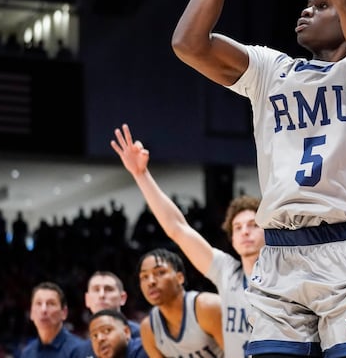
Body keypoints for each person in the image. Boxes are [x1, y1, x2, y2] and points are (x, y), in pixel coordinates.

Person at [170, 0, 346, 355]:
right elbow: (188, 43)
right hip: (277, 253)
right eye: (308, 4)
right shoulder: (271, 70)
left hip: (345, 250)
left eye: (320, 4)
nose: (306, 10)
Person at [111, 123, 264, 357]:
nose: (244, 232)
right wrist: (141, 175)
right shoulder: (227, 272)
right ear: (231, 238)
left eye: (253, 225)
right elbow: (178, 229)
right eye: (238, 227)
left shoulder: (284, 270)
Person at [136, 248, 224, 358]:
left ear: (180, 278)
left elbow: (239, 353)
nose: (151, 282)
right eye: (144, 277)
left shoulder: (208, 307)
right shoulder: (148, 329)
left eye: (160, 272)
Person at [21, 281, 88, 357]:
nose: (43, 309)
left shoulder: (80, 350)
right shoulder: (27, 353)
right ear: (31, 313)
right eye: (39, 303)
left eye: (51, 303)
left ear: (64, 313)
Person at [84, 271, 141, 338]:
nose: (101, 295)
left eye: (109, 289)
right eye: (96, 290)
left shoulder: (141, 335)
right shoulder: (78, 343)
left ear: (122, 298)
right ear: (87, 299)